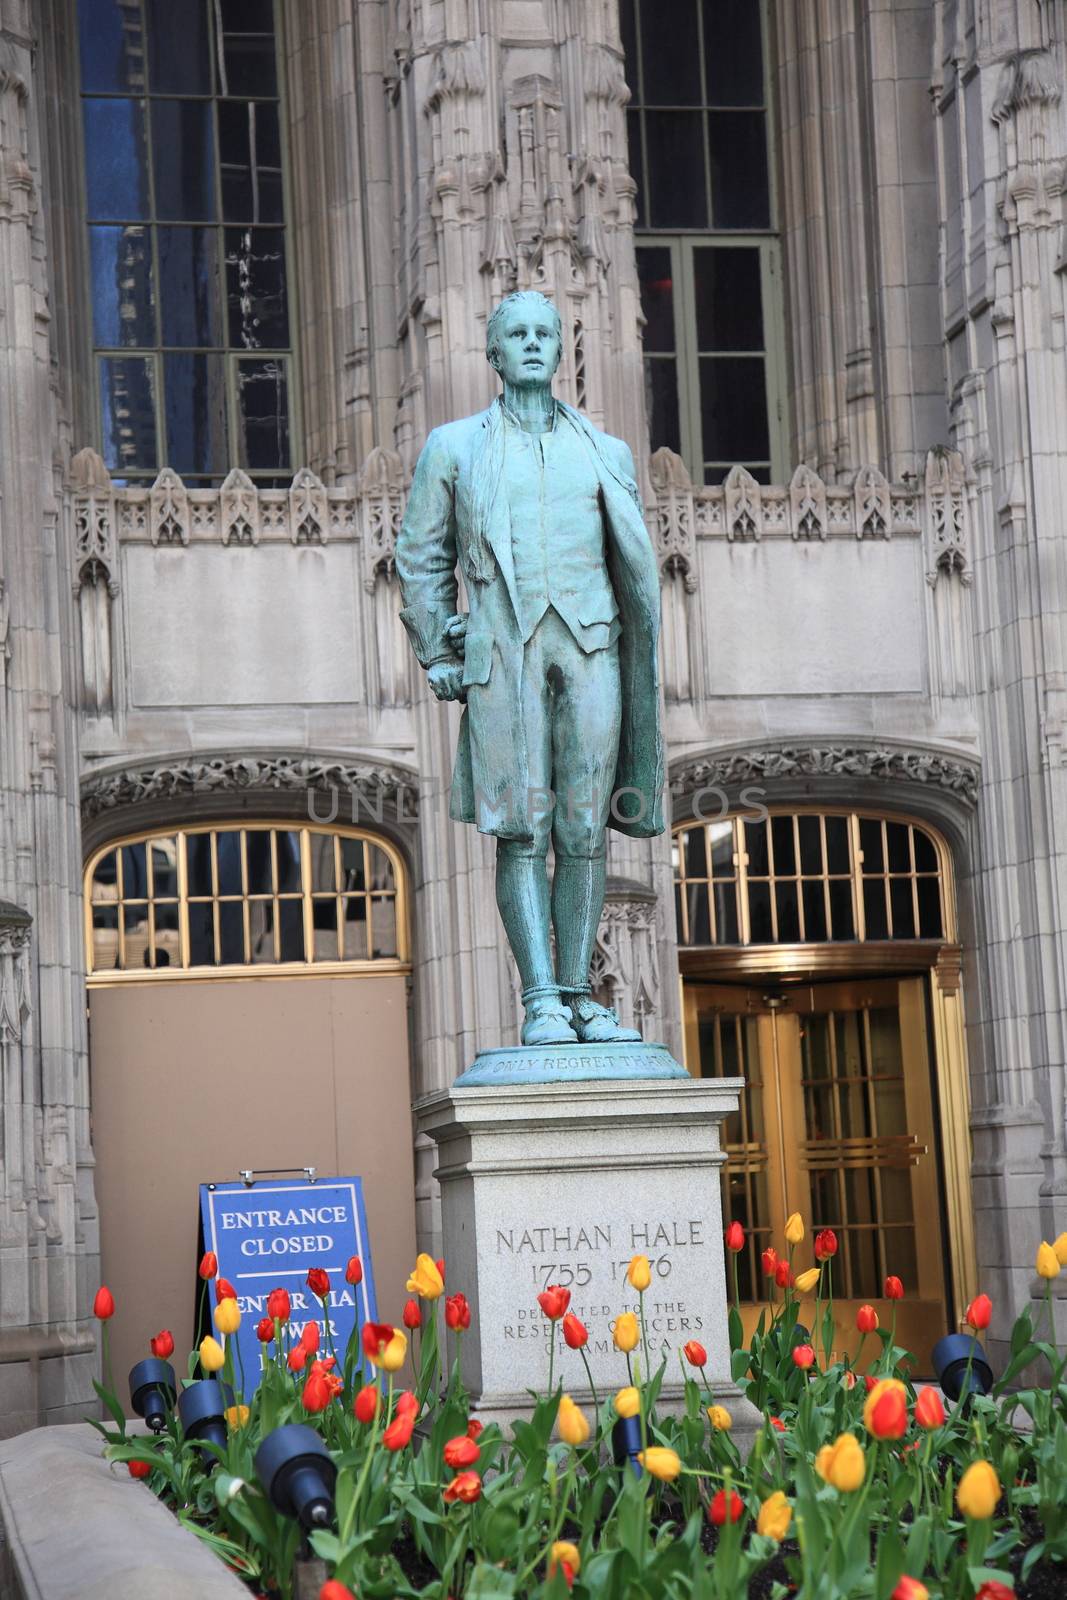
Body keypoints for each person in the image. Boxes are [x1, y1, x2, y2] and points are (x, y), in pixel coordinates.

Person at [396, 290, 664, 1046]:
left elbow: (627, 565)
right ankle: (540, 996)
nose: (533, 344)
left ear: (561, 346)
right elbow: (419, 558)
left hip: (590, 648)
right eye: (517, 333)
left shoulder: (604, 453)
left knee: (583, 830)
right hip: (502, 656)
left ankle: (580, 993)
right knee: (521, 830)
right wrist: (439, 652)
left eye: (546, 332)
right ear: (493, 352)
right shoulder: (454, 447)